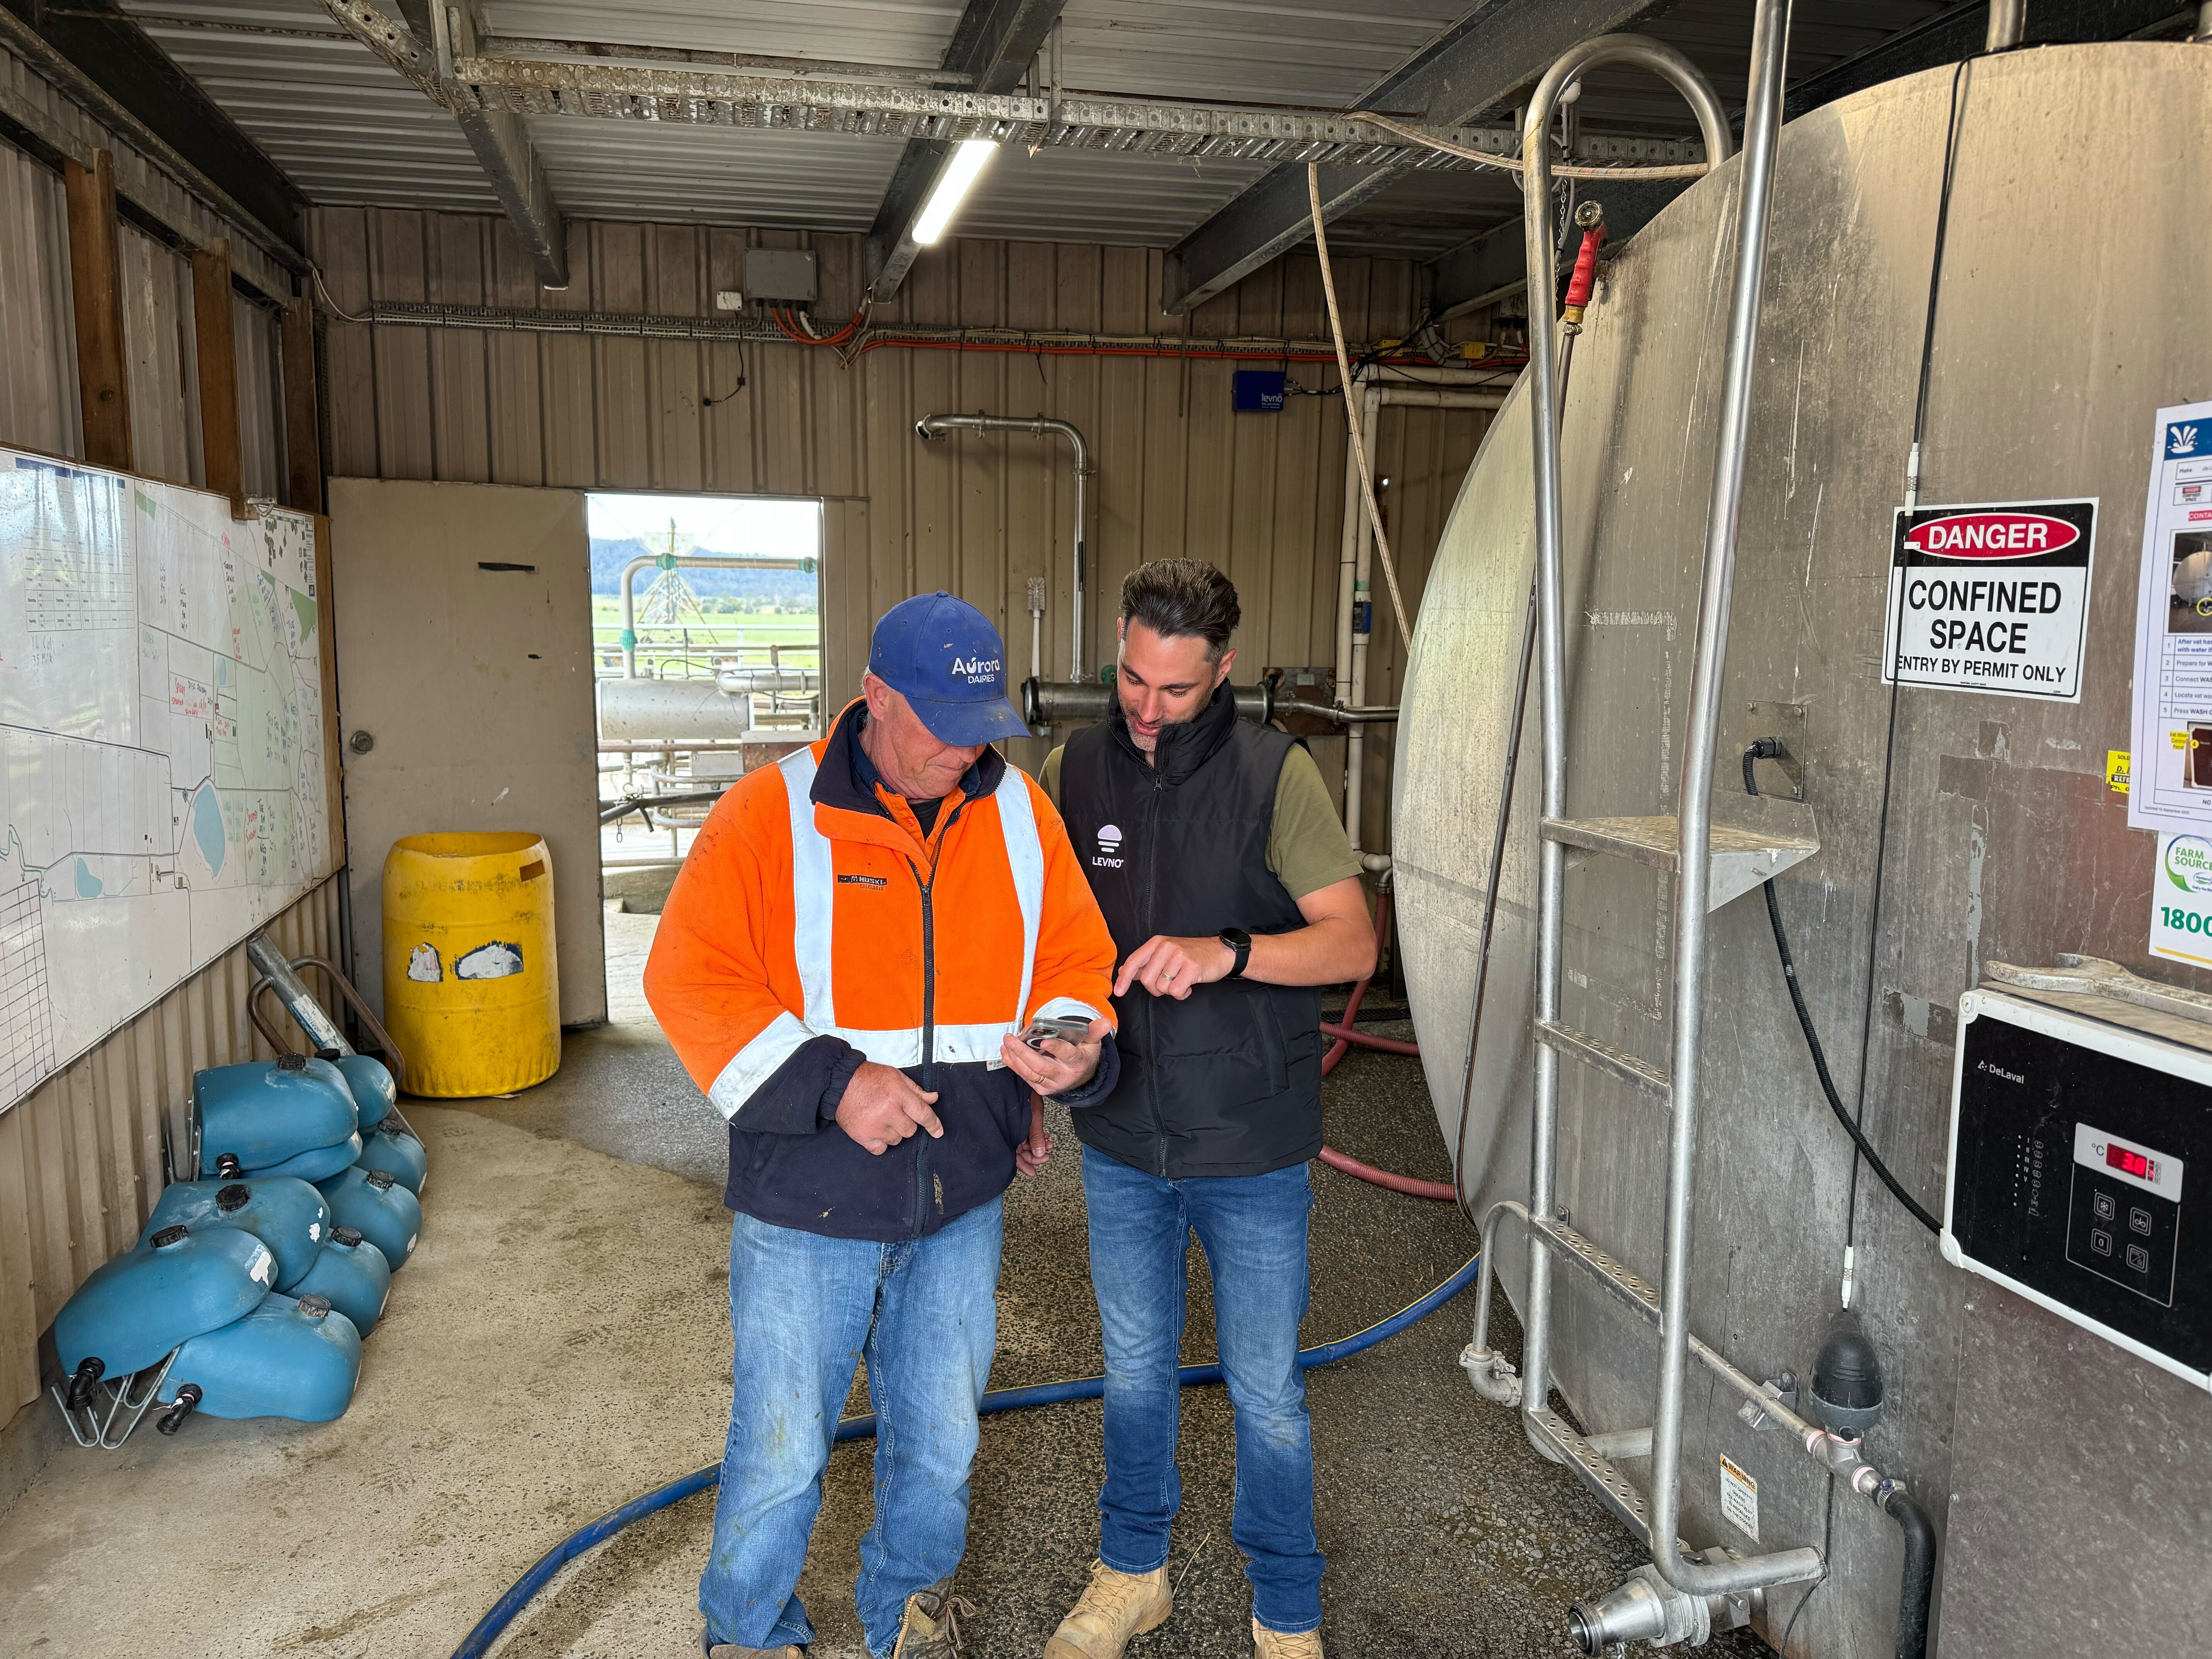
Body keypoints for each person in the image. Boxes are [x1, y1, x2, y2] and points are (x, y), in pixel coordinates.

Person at [645, 591, 1119, 1659]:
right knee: (781, 1453)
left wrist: (1062, 1048)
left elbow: (1072, 960)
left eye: (979, 728)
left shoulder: (1019, 812)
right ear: (875, 697)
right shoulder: (772, 813)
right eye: (939, 727)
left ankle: (908, 1616)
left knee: (942, 1447)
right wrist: (834, 1082)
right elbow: (688, 977)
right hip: (805, 1205)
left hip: (960, 1201)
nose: (963, 751)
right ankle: (748, 1631)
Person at [1037, 560, 1375, 1659]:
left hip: (1249, 1142)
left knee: (1266, 1389)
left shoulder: (1277, 773)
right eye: (1133, 679)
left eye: (1176, 689)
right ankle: (1133, 1574)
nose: (1147, 708)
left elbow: (1352, 942)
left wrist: (1228, 950)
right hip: (1121, 1135)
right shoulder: (1074, 768)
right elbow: (1051, 939)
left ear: (1224, 669)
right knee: (1134, 1370)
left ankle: (1286, 1608)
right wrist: (1046, 1061)